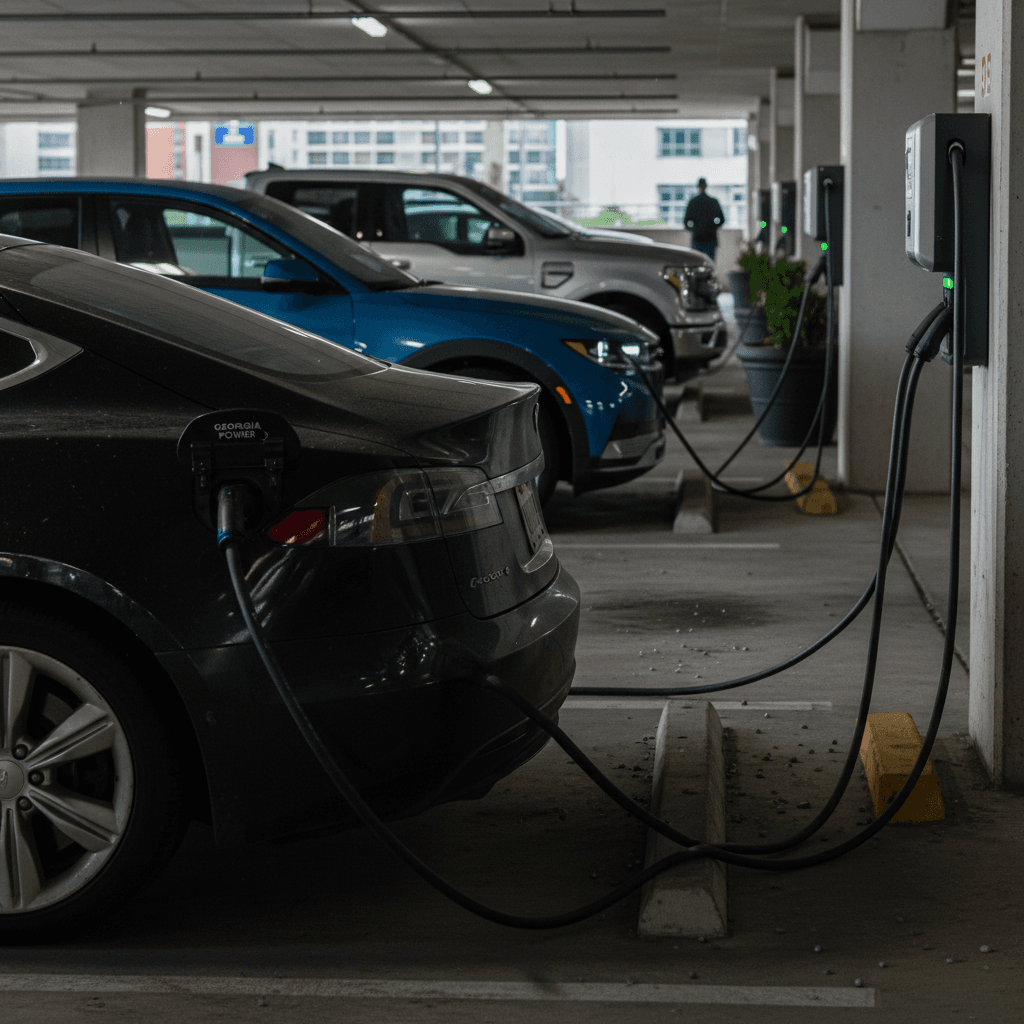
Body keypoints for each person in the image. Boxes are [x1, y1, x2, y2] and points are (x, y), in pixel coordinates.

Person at [683, 178, 725, 262]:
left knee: (697, 264)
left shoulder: (693, 202)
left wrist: (694, 228)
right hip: (711, 238)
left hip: (697, 239)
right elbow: (721, 220)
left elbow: (686, 222)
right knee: (710, 265)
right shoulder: (713, 202)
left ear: (698, 187)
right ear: (706, 187)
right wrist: (713, 226)